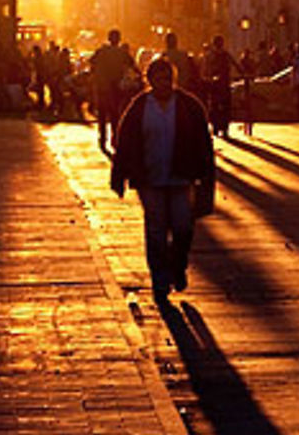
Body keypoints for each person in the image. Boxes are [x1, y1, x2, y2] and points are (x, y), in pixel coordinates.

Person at [110, 55, 215, 303]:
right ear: (149, 81)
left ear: (173, 80)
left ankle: (177, 267)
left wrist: (205, 178)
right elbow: (125, 140)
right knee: (156, 230)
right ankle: (159, 280)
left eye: (167, 78)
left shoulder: (189, 106)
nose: (163, 83)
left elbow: (204, 144)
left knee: (182, 227)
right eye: (158, 78)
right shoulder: (139, 106)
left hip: (181, 178)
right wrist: (119, 174)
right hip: (150, 179)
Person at [89, 28, 130, 153]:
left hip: (103, 88)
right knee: (115, 115)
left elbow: (92, 63)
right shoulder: (121, 53)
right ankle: (114, 138)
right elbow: (132, 64)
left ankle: (103, 139)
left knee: (102, 115)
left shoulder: (101, 52)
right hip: (115, 88)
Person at [203, 34, 238, 138]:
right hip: (223, 84)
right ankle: (224, 128)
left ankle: (216, 127)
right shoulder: (225, 55)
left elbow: (205, 69)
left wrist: (207, 77)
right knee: (225, 106)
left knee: (215, 106)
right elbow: (236, 65)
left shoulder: (210, 55)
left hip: (215, 85)